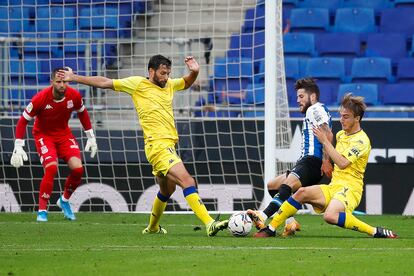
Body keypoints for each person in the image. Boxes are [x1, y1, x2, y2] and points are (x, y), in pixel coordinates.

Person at [57, 55, 228, 236]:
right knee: (187, 181)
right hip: (157, 146)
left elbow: (186, 83)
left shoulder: (169, 84)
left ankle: (153, 227)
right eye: (162, 73)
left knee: (167, 189)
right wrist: (74, 77)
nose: (165, 77)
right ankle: (209, 223)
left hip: (168, 145)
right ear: (151, 71)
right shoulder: (137, 84)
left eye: (168, 73)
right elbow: (105, 82)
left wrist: (194, 72)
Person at [254, 93, 397, 238]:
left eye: (346, 117)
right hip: (334, 186)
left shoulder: (361, 141)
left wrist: (325, 142)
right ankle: (271, 229)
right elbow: (332, 148)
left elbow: (342, 163)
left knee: (330, 216)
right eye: (341, 116)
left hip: (350, 189)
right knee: (301, 193)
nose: (341, 120)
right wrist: (326, 160)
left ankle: (374, 231)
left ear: (357, 118)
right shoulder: (341, 134)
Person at [247, 78, 333, 236]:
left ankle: (263, 216)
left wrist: (326, 160)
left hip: (312, 162)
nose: (298, 100)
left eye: (301, 96)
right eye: (297, 97)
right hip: (307, 162)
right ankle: (290, 222)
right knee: (273, 186)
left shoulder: (315, 109)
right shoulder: (316, 110)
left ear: (312, 97)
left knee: (286, 186)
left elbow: (328, 133)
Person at [10, 68, 98, 222]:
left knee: (78, 169)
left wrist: (90, 136)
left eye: (64, 81)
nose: (62, 85)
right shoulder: (40, 98)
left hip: (64, 135)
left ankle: (64, 200)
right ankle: (42, 210)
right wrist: (18, 145)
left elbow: (82, 112)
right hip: (44, 136)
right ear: (52, 82)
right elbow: (23, 120)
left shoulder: (74, 95)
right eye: (58, 82)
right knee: (51, 167)